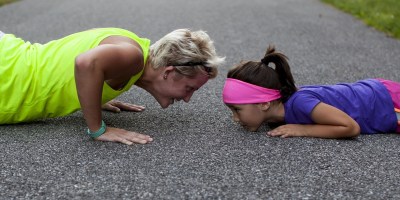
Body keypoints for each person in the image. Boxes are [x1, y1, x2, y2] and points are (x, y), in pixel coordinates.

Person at [0, 28, 225, 145]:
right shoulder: (133, 57)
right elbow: (86, 63)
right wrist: (98, 128)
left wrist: (93, 94)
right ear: (168, 72)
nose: (187, 99)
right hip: (7, 76)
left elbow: (78, 61)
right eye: (190, 88)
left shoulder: (134, 50)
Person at [222, 45, 400, 139]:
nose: (235, 118)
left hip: (388, 103)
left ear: (264, 103)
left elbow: (350, 127)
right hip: (379, 93)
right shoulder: (277, 114)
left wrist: (302, 130)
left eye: (237, 109)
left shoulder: (300, 103)